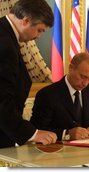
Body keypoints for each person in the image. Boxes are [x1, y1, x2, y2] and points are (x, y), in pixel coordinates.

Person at [0, 0, 57, 148]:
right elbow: (1, 101)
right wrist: (32, 134)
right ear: (25, 20)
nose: (38, 36)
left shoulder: (6, 34)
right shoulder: (4, 44)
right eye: (39, 30)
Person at [30, 52, 89, 141]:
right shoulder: (48, 94)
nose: (85, 83)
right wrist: (66, 134)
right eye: (82, 76)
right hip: (57, 151)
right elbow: (37, 128)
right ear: (71, 68)